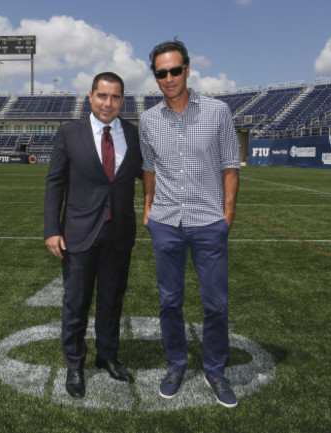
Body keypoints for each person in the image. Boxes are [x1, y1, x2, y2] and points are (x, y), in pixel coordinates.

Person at [139, 39, 241, 408]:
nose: (168, 78)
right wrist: (148, 210)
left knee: (215, 303)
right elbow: (149, 169)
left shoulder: (218, 112)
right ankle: (176, 365)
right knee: (170, 301)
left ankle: (215, 369)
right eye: (161, 72)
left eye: (174, 70)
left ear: (187, 69)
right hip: (165, 221)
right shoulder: (148, 120)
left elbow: (230, 165)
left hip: (208, 221)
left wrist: (226, 216)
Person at [44, 72, 142, 399]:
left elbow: (149, 177)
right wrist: (51, 229)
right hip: (78, 234)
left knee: (112, 301)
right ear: (91, 96)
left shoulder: (134, 134)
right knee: (76, 303)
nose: (108, 103)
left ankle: (107, 356)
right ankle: (75, 365)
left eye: (115, 97)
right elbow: (55, 183)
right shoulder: (69, 134)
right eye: (102, 96)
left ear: (122, 101)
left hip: (119, 234)